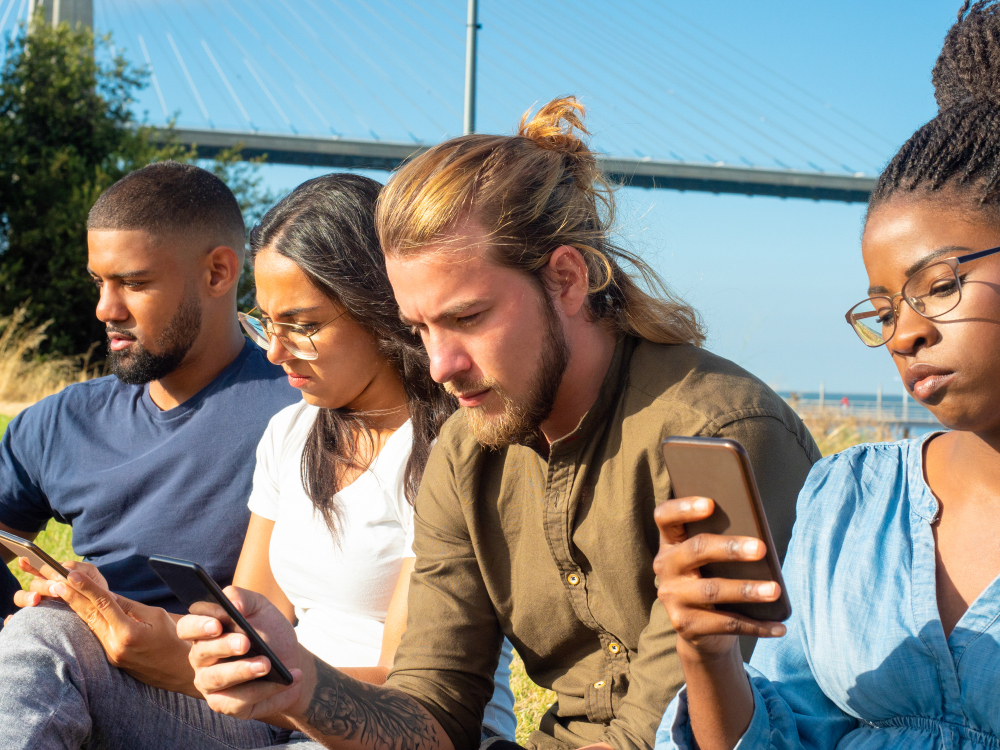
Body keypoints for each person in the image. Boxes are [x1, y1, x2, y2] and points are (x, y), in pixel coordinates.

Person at [177, 97, 820, 750]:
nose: (440, 366)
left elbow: (668, 733)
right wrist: (304, 686)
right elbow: (432, 714)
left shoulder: (720, 435)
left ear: (566, 279)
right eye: (418, 329)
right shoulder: (464, 451)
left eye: (466, 318)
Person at [0, 174, 517, 749]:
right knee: (48, 634)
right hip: (271, 716)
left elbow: (418, 695)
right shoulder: (291, 431)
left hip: (379, 728)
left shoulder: (447, 449)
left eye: (303, 326)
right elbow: (247, 621)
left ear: (383, 308)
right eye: (267, 323)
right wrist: (114, 614)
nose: (273, 351)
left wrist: (274, 683)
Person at [653, 3, 1000, 749]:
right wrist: (708, 655)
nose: (904, 333)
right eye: (881, 309)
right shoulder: (851, 501)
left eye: (939, 285)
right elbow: (788, 734)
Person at [0, 160, 298, 620]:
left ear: (218, 273)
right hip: (61, 663)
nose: (105, 309)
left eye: (134, 283)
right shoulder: (61, 422)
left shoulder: (300, 412)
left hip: (203, 678)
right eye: (99, 282)